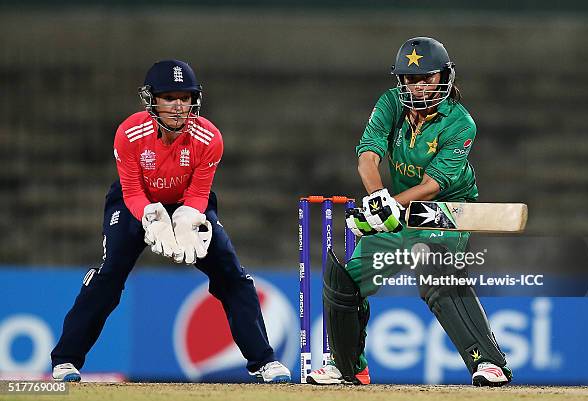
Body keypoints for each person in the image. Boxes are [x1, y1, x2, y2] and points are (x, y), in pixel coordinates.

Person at [50, 59, 291, 383]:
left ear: (195, 100)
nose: (178, 106)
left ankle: (264, 362)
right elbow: (132, 189)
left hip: (189, 203)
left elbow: (199, 192)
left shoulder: (209, 138)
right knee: (109, 276)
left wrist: (188, 219)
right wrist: (153, 219)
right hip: (135, 203)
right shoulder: (129, 133)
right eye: (169, 97)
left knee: (231, 273)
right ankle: (65, 361)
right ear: (151, 100)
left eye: (185, 97)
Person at [306, 37, 512, 386]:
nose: (417, 86)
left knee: (433, 267)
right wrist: (377, 199)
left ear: (445, 77)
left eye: (427, 78)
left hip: (446, 211)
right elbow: (368, 156)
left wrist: (390, 203)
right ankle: (348, 367)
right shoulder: (389, 104)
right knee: (344, 281)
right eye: (409, 79)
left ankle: (489, 364)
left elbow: (435, 183)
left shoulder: (461, 123)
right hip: (400, 209)